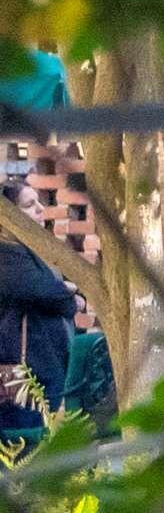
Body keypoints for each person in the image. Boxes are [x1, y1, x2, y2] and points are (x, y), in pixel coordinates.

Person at [0, 165, 82, 437]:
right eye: (28, 205)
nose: (40, 210)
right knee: (25, 448)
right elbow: (41, 291)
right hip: (21, 377)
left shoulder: (29, 250)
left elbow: (55, 292)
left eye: (39, 203)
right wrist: (68, 295)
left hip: (43, 370)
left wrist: (64, 292)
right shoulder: (5, 253)